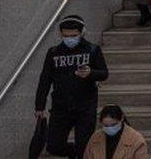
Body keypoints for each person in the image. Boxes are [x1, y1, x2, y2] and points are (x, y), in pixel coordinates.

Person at [35, 14, 110, 159]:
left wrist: (90, 73)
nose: (69, 39)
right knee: (53, 145)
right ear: (61, 34)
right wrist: (39, 106)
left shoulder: (92, 50)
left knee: (84, 145)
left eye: (74, 35)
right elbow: (45, 80)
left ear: (82, 33)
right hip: (60, 107)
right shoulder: (54, 53)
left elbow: (104, 73)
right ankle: (73, 154)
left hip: (85, 107)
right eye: (65, 36)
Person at [83, 105, 148, 159]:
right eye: (105, 125)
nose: (109, 128)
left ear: (121, 119)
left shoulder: (136, 140)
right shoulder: (95, 138)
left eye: (113, 125)